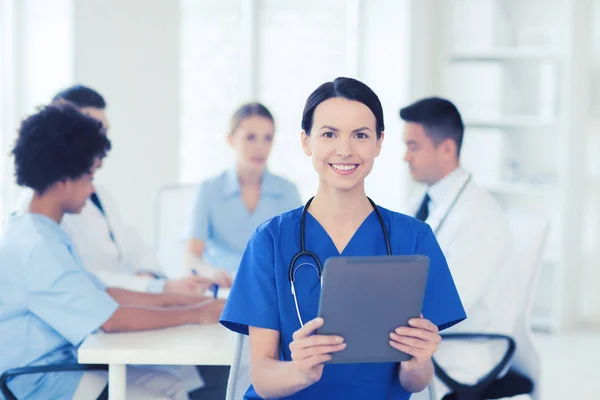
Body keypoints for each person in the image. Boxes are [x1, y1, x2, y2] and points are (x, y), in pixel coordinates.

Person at [219, 77, 467, 399]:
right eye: (329, 134)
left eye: (360, 135)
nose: (345, 150)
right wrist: (299, 371)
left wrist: (416, 363)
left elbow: (417, 381)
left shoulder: (414, 239)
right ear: (307, 142)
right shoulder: (270, 240)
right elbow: (264, 377)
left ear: (379, 143)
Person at [0, 103, 225, 399]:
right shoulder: (40, 246)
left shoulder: (43, 232)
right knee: (163, 394)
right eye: (89, 177)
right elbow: (111, 318)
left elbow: (105, 294)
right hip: (40, 381)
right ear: (64, 180)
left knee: (171, 385)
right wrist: (197, 314)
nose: (92, 189)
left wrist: (184, 299)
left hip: (62, 365)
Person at [14, 85, 211, 295]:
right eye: (92, 128)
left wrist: (150, 277)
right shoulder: (39, 211)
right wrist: (158, 288)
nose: (101, 142)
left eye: (104, 131)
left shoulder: (98, 194)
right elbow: (84, 280)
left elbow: (131, 243)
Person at [399, 97, 513, 399]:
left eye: (413, 146)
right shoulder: (422, 199)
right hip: (419, 340)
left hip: (457, 351)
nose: (404, 157)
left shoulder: (480, 216)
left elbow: (450, 305)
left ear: (447, 149)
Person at [185, 102, 302, 285]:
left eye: (267, 138)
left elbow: (298, 252)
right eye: (250, 137)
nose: (260, 147)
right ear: (231, 139)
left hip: (270, 288)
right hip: (224, 289)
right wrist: (210, 272)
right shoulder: (209, 189)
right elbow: (192, 255)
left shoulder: (287, 191)